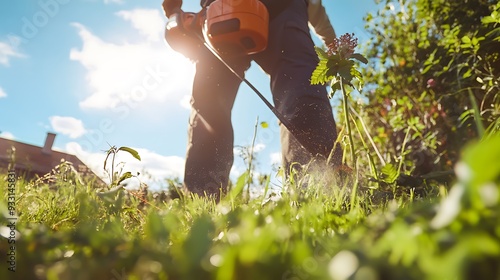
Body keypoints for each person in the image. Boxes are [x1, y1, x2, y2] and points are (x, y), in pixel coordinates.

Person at [162, 0, 342, 201]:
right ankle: (203, 203)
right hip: (221, 14)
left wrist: (334, 44)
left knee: (300, 92)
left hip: (277, 11)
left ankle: (319, 190)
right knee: (209, 106)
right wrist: (173, 9)